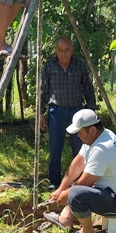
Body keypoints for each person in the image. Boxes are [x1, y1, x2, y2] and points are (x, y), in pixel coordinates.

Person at [43, 109, 116, 233]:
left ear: (92, 130)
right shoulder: (102, 135)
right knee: (74, 190)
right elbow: (78, 163)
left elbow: (83, 185)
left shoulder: (101, 149)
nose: (77, 136)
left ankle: (87, 232)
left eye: (80, 132)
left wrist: (65, 196)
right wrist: (60, 189)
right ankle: (66, 218)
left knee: (75, 194)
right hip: (112, 193)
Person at [40, 37, 96, 190]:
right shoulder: (49, 66)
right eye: (60, 50)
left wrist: (91, 111)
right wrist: (40, 113)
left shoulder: (79, 65)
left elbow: (87, 88)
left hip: (76, 111)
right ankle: (54, 181)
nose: (64, 54)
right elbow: (43, 90)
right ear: (55, 51)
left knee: (80, 147)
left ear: (72, 50)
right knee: (55, 147)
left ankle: (79, 181)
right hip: (55, 112)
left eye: (67, 50)